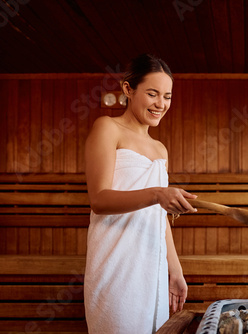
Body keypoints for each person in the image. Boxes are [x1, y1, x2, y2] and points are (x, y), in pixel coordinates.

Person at [83, 53, 197, 334]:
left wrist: (175, 270)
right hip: (116, 259)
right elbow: (99, 200)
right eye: (153, 93)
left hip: (151, 261)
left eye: (167, 96)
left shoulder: (160, 150)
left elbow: (159, 218)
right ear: (128, 89)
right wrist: (158, 193)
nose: (161, 104)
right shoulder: (107, 128)